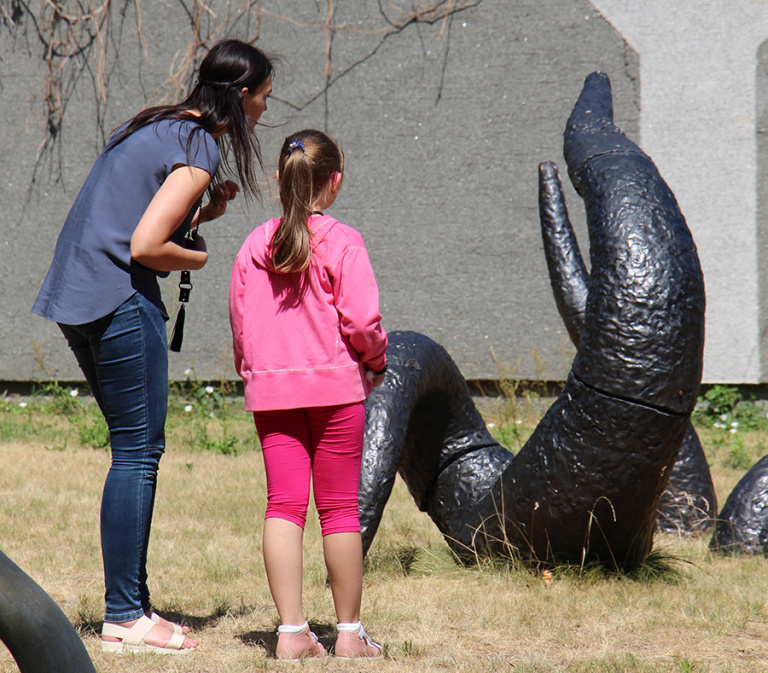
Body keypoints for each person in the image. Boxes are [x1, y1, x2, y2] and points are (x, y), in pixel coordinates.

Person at [31, 39, 275, 655]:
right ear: (241, 95)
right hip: (119, 298)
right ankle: (126, 617)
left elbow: (133, 217)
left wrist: (202, 213)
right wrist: (199, 254)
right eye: (264, 98)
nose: (265, 110)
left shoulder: (161, 124)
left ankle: (128, 606)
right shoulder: (201, 144)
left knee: (128, 451)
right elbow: (145, 246)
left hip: (76, 295)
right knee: (139, 453)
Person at [229, 129, 388, 660]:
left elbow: (240, 323)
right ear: (335, 183)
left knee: (283, 506)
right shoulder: (344, 241)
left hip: (271, 391)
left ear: (280, 180)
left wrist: (251, 371)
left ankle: (292, 633)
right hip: (337, 391)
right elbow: (362, 321)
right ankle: (349, 635)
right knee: (340, 510)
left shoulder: (256, 243)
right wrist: (376, 361)